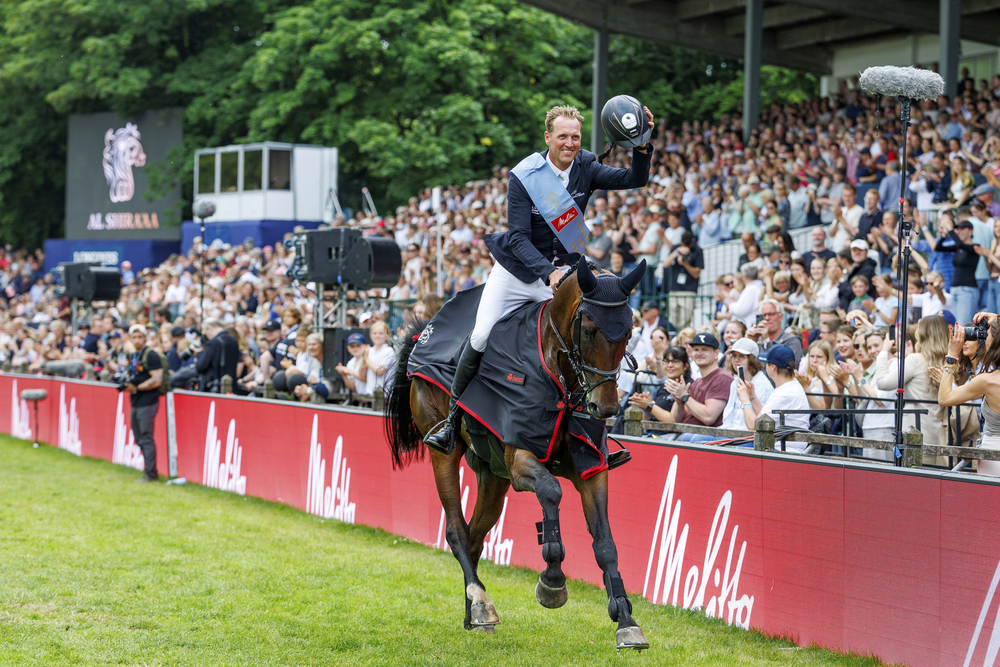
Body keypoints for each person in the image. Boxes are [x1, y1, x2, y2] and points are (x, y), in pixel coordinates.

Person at [424, 104, 655, 452]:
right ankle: (452, 420)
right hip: (519, 272)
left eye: (575, 137)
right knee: (482, 334)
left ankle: (589, 439)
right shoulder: (524, 175)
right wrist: (548, 273)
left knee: (583, 341)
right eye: (562, 136)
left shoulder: (586, 166)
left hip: (565, 272)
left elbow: (635, 179)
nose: (570, 143)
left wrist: (641, 145)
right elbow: (517, 238)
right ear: (548, 137)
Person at [938, 313, 1000, 476]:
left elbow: (944, 398)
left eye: (987, 336)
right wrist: (996, 319)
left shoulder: (987, 381)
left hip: (993, 454)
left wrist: (952, 355)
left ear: (994, 342)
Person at [736, 344, 811, 452]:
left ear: (773, 367)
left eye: (767, 363)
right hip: (778, 447)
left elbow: (754, 426)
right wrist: (751, 396)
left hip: (781, 451)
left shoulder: (785, 393)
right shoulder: (789, 386)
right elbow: (764, 419)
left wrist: (744, 399)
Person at [665, 332, 733, 437]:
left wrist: (685, 396)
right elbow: (678, 420)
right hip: (686, 436)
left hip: (704, 442)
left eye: (705, 349)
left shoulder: (722, 378)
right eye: (696, 350)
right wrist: (679, 402)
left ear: (716, 354)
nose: (699, 353)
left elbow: (708, 418)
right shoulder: (697, 382)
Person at [122, 324, 163, 482]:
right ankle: (148, 470)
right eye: (134, 337)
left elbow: (157, 379)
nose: (137, 340)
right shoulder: (134, 355)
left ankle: (151, 473)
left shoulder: (150, 355)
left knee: (146, 437)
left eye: (140, 337)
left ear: (145, 338)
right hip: (136, 401)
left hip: (148, 401)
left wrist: (137, 388)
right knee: (139, 438)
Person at [626, 345, 691, 433]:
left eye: (675, 361)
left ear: (685, 365)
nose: (670, 365)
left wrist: (650, 405)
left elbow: (673, 421)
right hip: (653, 435)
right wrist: (645, 408)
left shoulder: (687, 386)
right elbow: (647, 421)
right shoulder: (664, 385)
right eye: (666, 361)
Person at [719, 338, 773, 431]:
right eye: (734, 355)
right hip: (729, 432)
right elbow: (729, 419)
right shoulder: (735, 382)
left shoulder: (762, 384)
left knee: (695, 439)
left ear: (752, 359)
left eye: (742, 356)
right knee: (690, 437)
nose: (736, 359)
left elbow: (761, 423)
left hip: (746, 437)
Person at [662, 231, 702, 330]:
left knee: (685, 320)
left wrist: (685, 264)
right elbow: (665, 264)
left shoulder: (697, 251)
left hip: (689, 290)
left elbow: (696, 273)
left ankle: (683, 339)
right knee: (673, 319)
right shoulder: (676, 248)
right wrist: (676, 252)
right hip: (674, 289)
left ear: (693, 241)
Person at [747, 298, 804, 366]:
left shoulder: (792, 341)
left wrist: (766, 342)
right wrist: (748, 343)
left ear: (781, 317)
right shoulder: (757, 340)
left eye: (771, 314)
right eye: (764, 315)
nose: (767, 318)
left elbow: (785, 368)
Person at [196, 319, 240, 393]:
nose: (205, 335)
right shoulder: (233, 340)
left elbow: (200, 366)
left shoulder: (213, 343)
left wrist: (199, 353)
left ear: (209, 327)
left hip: (215, 387)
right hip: (231, 386)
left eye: (204, 332)